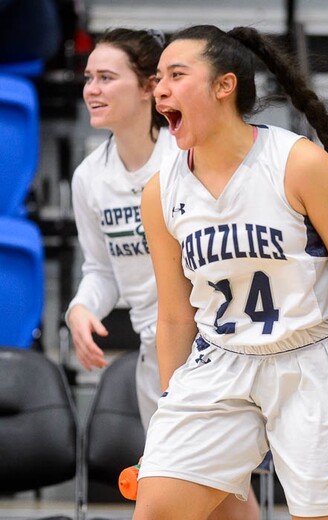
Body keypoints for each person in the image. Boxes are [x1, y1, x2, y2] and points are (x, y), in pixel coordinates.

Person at [134, 24, 328, 520]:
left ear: (224, 85)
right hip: (221, 362)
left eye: (176, 74)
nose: (159, 88)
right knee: (158, 512)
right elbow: (173, 317)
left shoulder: (300, 165)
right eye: (157, 77)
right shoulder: (160, 191)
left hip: (313, 361)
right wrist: (171, 407)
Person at [65, 28, 260, 519]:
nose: (92, 89)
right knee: (219, 501)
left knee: (200, 495)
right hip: (158, 352)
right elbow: (100, 269)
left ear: (149, 88)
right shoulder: (89, 177)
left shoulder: (185, 158)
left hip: (215, 344)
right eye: (89, 78)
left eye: (107, 78)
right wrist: (82, 307)